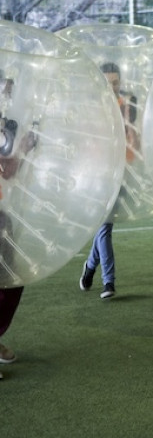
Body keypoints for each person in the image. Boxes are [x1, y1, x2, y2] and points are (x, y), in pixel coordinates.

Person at [79, 62, 139, 299]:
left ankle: (90, 267)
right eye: (107, 82)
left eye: (116, 82)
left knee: (105, 225)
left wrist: (127, 116)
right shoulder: (91, 107)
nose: (112, 87)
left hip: (120, 173)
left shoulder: (127, 106)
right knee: (104, 226)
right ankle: (109, 282)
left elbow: (133, 142)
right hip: (97, 175)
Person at [0, 71, 38, 379]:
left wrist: (23, 147)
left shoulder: (6, 125)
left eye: (8, 91)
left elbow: (9, 171)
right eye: (4, 89)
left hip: (0, 214)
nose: (6, 96)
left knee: (13, 279)